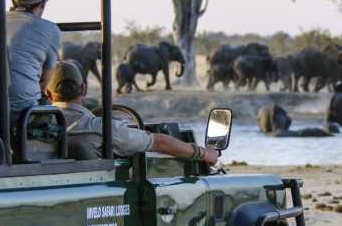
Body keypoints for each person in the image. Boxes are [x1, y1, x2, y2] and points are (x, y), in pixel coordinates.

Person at [46, 61, 219, 163]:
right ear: (83, 89)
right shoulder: (100, 127)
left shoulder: (34, 126)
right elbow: (159, 143)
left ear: (47, 93)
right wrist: (204, 153)